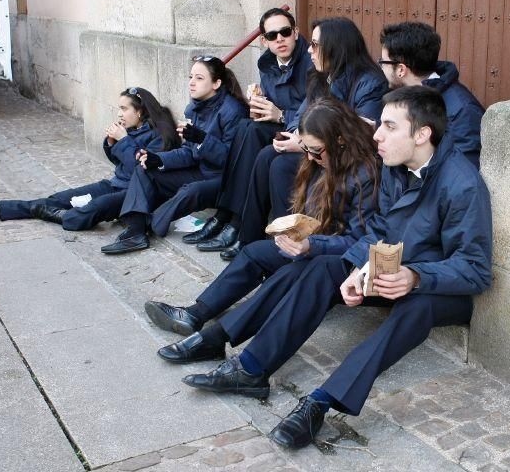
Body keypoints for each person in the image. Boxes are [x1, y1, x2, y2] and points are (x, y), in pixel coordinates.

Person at [176, 86, 492, 450]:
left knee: (415, 309)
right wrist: (358, 268)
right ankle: (251, 368)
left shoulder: (463, 185)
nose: (376, 134)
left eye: (389, 126)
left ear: (422, 134)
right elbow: (379, 231)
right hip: (391, 271)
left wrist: (416, 277)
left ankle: (321, 402)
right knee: (320, 268)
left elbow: (476, 270)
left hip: (441, 289)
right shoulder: (396, 168)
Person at [143, 98, 380, 358]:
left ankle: (218, 339)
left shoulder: (364, 175)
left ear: (340, 140)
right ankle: (195, 314)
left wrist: (312, 244)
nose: (310, 157)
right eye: (305, 149)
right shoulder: (322, 161)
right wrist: (297, 230)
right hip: (317, 244)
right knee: (254, 252)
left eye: (315, 150)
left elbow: (359, 240)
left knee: (285, 275)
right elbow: (317, 212)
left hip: (339, 260)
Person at [197, 17, 389, 261]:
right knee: (266, 150)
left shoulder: (369, 82)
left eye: (316, 45)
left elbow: (360, 138)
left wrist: (301, 143)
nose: (310, 49)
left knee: (277, 164)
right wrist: (295, 136)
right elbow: (301, 117)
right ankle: (249, 235)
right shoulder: (320, 76)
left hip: (343, 160)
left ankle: (288, 239)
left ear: (336, 46)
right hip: (315, 149)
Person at [182, 8, 312, 248]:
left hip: (302, 133)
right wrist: (260, 109)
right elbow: (271, 106)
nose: (279, 39)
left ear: (296, 33)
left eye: (285, 32)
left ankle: (235, 220)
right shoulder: (267, 64)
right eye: (272, 36)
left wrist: (281, 114)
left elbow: (315, 108)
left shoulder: (310, 61)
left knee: (250, 132)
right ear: (264, 41)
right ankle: (225, 215)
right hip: (279, 127)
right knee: (246, 125)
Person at [0, 87, 178, 231]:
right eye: (119, 108)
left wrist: (123, 140)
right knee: (60, 198)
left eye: (124, 109)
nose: (119, 113)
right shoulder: (132, 130)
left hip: (133, 193)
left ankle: (50, 213)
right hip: (114, 184)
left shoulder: (158, 137)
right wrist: (112, 144)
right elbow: (120, 163)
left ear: (140, 111)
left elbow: (141, 170)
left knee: (88, 212)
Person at [100, 57, 249, 254]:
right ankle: (135, 232)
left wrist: (203, 140)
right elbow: (188, 152)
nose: (191, 82)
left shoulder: (233, 111)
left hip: (224, 178)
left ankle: (151, 223)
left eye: (199, 78)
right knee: (145, 169)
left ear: (216, 83)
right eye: (190, 77)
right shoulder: (194, 107)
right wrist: (159, 159)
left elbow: (233, 160)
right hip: (200, 169)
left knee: (190, 191)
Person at [378, 21, 484, 167]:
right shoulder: (401, 96)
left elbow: (463, 173)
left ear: (401, 70)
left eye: (383, 62)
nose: (381, 68)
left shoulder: (462, 110)